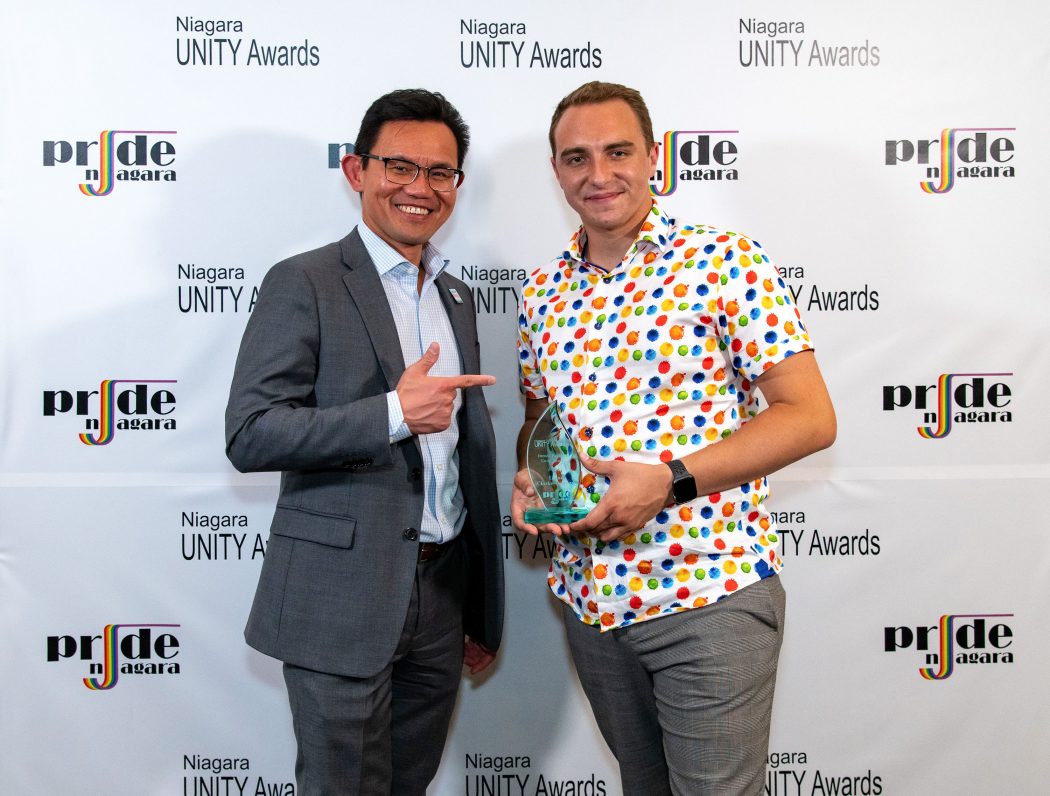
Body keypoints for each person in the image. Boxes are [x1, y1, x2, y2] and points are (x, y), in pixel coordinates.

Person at [512, 81, 836, 795]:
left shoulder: (725, 262)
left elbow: (809, 416)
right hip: (590, 601)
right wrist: (533, 479)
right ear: (557, 170)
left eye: (618, 151)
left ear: (655, 156)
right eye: (576, 158)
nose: (598, 175)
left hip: (706, 594)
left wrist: (671, 479)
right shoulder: (540, 293)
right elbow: (543, 423)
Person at [226, 88, 504, 796]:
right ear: (356, 171)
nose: (420, 188)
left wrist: (478, 610)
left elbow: (464, 459)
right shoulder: (306, 281)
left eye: (440, 173)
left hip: (442, 598)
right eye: (400, 166)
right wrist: (391, 413)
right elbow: (251, 432)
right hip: (339, 600)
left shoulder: (458, 296)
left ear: (457, 186)